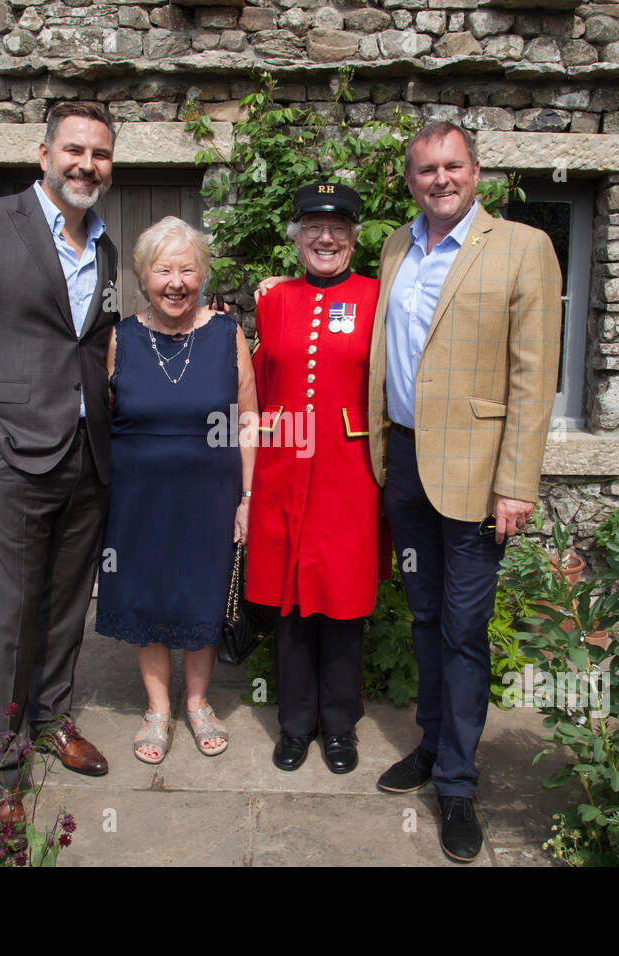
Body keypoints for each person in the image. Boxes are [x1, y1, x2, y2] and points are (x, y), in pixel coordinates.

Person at [369, 121, 562, 862]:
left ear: (475, 172)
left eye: (452, 166)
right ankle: (429, 740)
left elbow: (533, 377)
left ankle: (456, 781)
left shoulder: (521, 246)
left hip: (481, 480)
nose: (439, 179)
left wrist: (516, 483)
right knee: (422, 615)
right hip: (408, 465)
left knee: (462, 627)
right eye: (425, 169)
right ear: (410, 178)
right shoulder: (395, 247)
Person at [0, 101, 120, 821]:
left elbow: (92, 340)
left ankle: (51, 719)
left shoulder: (101, 244)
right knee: (11, 612)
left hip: (86, 454)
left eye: (99, 154)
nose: (86, 164)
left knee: (69, 603)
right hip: (11, 455)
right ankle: (0, 767)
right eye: (74, 150)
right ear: (43, 154)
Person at [95, 216, 257, 764]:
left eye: (187, 269)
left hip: (210, 497)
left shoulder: (226, 333)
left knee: (201, 594)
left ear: (202, 275)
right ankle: (158, 708)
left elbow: (250, 420)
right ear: (143, 277)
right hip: (139, 500)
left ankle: (198, 703)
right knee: (147, 596)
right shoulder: (121, 337)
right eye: (163, 269)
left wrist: (248, 498)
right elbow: (109, 414)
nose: (175, 281)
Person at [247, 183, 383, 774]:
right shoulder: (272, 300)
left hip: (348, 476)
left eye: (338, 229)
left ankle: (340, 727)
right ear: (296, 235)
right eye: (312, 227)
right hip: (282, 473)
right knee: (291, 605)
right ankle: (294, 725)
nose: (324, 238)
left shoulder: (378, 297)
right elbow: (255, 385)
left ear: (354, 237)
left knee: (343, 605)